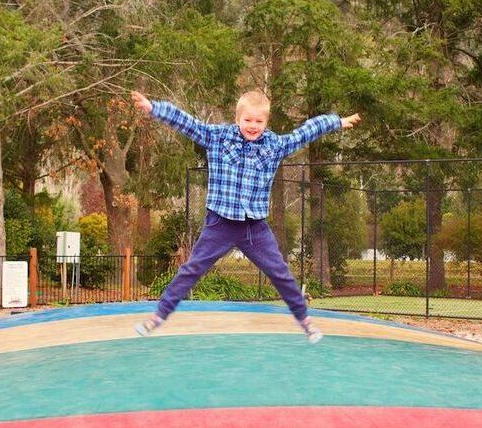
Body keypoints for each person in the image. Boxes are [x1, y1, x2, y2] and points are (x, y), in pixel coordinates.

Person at [130, 89, 361, 343]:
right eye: (248, 120)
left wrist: (337, 121)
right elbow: (187, 122)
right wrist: (154, 108)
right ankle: (158, 315)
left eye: (259, 121)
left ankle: (305, 320)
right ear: (237, 118)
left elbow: (306, 132)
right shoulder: (217, 137)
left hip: (255, 228)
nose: (253, 126)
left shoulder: (275, 145)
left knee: (280, 272)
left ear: (266, 121)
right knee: (192, 268)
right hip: (220, 224)